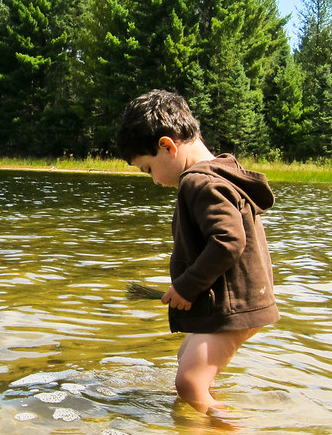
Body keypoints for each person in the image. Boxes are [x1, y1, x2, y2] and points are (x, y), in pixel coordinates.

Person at [115, 89, 279, 417]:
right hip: (239, 299)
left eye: (148, 169)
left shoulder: (198, 183)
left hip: (235, 305)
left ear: (167, 146)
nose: (154, 181)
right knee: (187, 364)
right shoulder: (219, 172)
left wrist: (187, 286)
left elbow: (228, 241)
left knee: (188, 383)